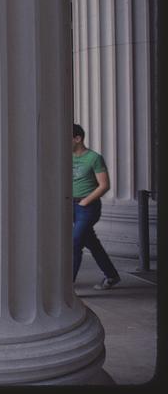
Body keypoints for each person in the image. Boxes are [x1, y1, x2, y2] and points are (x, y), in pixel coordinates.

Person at [72, 123, 120, 290]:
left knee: (75, 241)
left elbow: (104, 185)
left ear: (77, 138)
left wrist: (85, 201)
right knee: (91, 242)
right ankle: (112, 276)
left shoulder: (94, 158)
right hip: (69, 205)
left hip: (87, 207)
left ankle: (68, 285)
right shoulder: (65, 157)